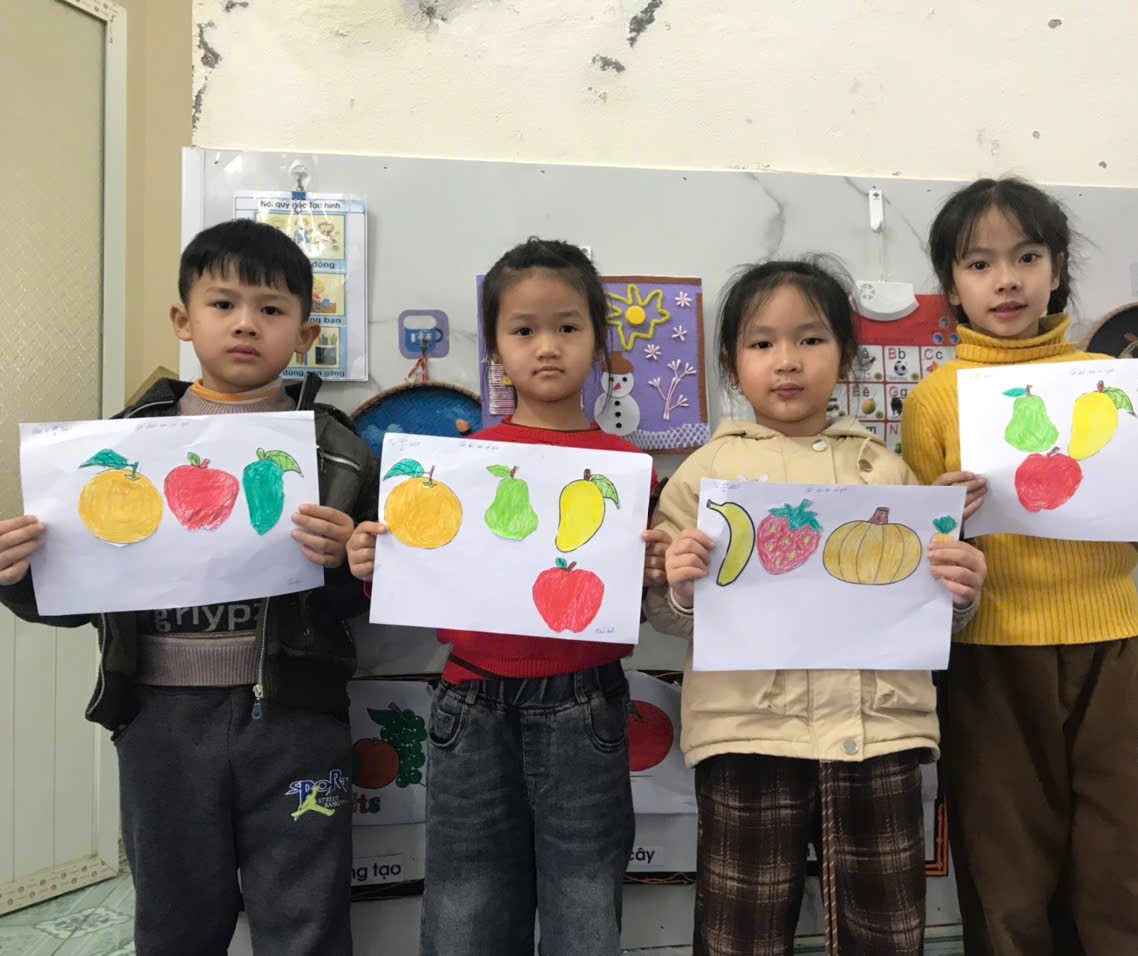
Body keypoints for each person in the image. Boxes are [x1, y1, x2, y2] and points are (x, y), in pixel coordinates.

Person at [901, 176, 1138, 954]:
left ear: (1057, 267)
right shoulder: (934, 401)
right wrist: (939, 520)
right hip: (990, 658)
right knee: (1006, 868)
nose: (1006, 280)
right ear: (951, 285)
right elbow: (922, 564)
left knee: (1123, 862)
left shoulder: (1110, 383)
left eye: (1026, 257)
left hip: (1110, 650)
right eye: (979, 264)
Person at [0, 218, 379, 956]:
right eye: (223, 304)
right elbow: (76, 595)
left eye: (271, 309)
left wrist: (347, 561)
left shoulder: (336, 449)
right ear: (183, 320)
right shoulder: (119, 446)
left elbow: (367, 596)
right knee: (175, 915)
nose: (246, 324)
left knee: (305, 912)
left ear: (305, 335)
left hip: (296, 720)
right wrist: (17, 575)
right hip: (160, 721)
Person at [644, 257, 988, 956]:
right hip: (747, 734)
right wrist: (677, 587)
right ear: (731, 363)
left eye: (810, 338)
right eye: (762, 342)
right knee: (740, 930)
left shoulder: (886, 472)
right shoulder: (704, 475)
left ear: (846, 355)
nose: (787, 361)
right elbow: (668, 617)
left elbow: (932, 615)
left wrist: (960, 593)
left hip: (879, 734)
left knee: (886, 929)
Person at [347, 238, 669, 956]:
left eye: (568, 327)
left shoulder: (628, 471)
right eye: (523, 329)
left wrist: (652, 575)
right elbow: (423, 579)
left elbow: (643, 603)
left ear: (599, 341)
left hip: (587, 704)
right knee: (466, 903)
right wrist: (375, 563)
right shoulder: (461, 466)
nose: (546, 347)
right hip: (472, 704)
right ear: (496, 349)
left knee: (585, 903)